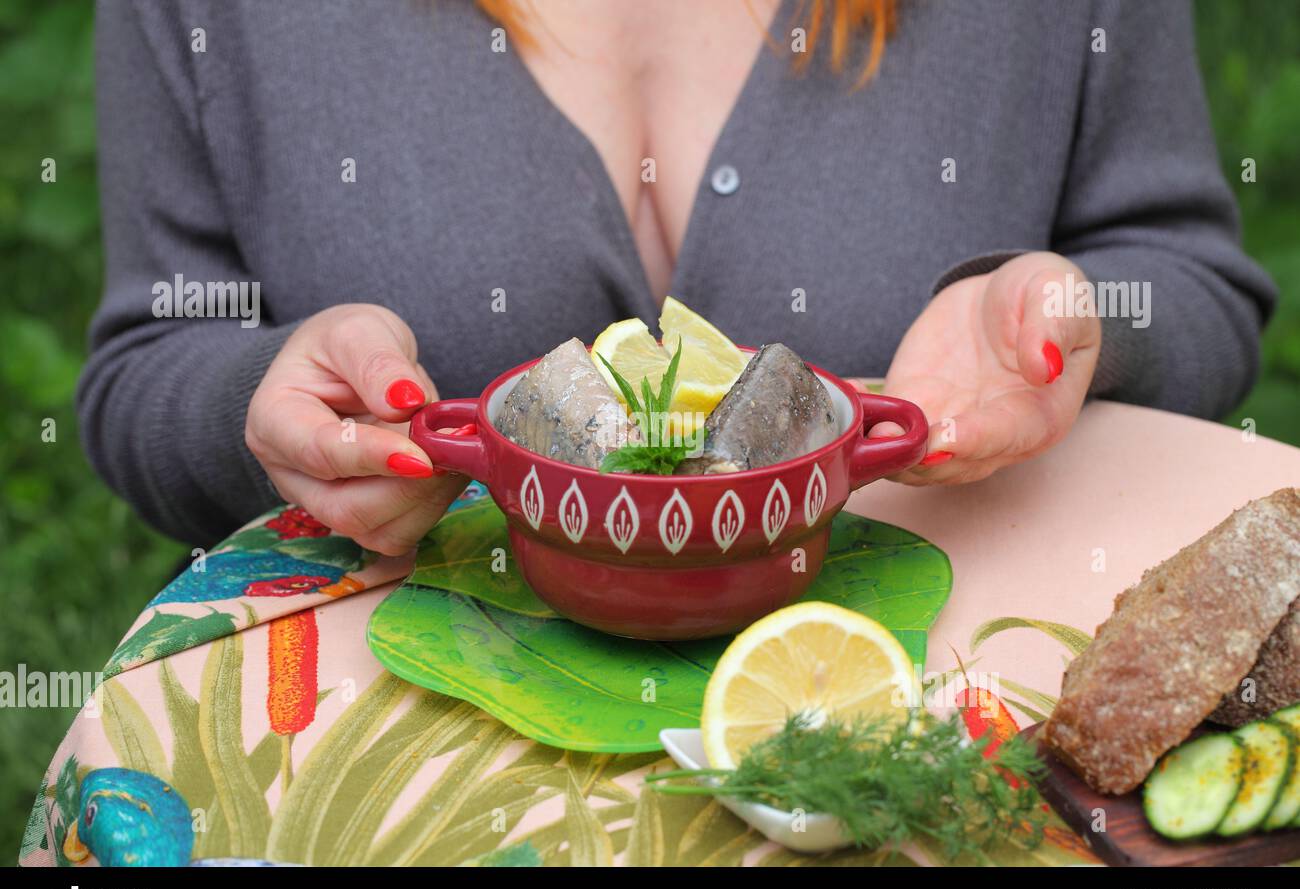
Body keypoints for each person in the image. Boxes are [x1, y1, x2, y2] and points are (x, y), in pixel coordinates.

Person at [79, 0, 1275, 555]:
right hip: (394, 782)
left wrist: (1062, 325)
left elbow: (1189, 282)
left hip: (937, 746)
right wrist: (259, 397)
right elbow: (144, 368)